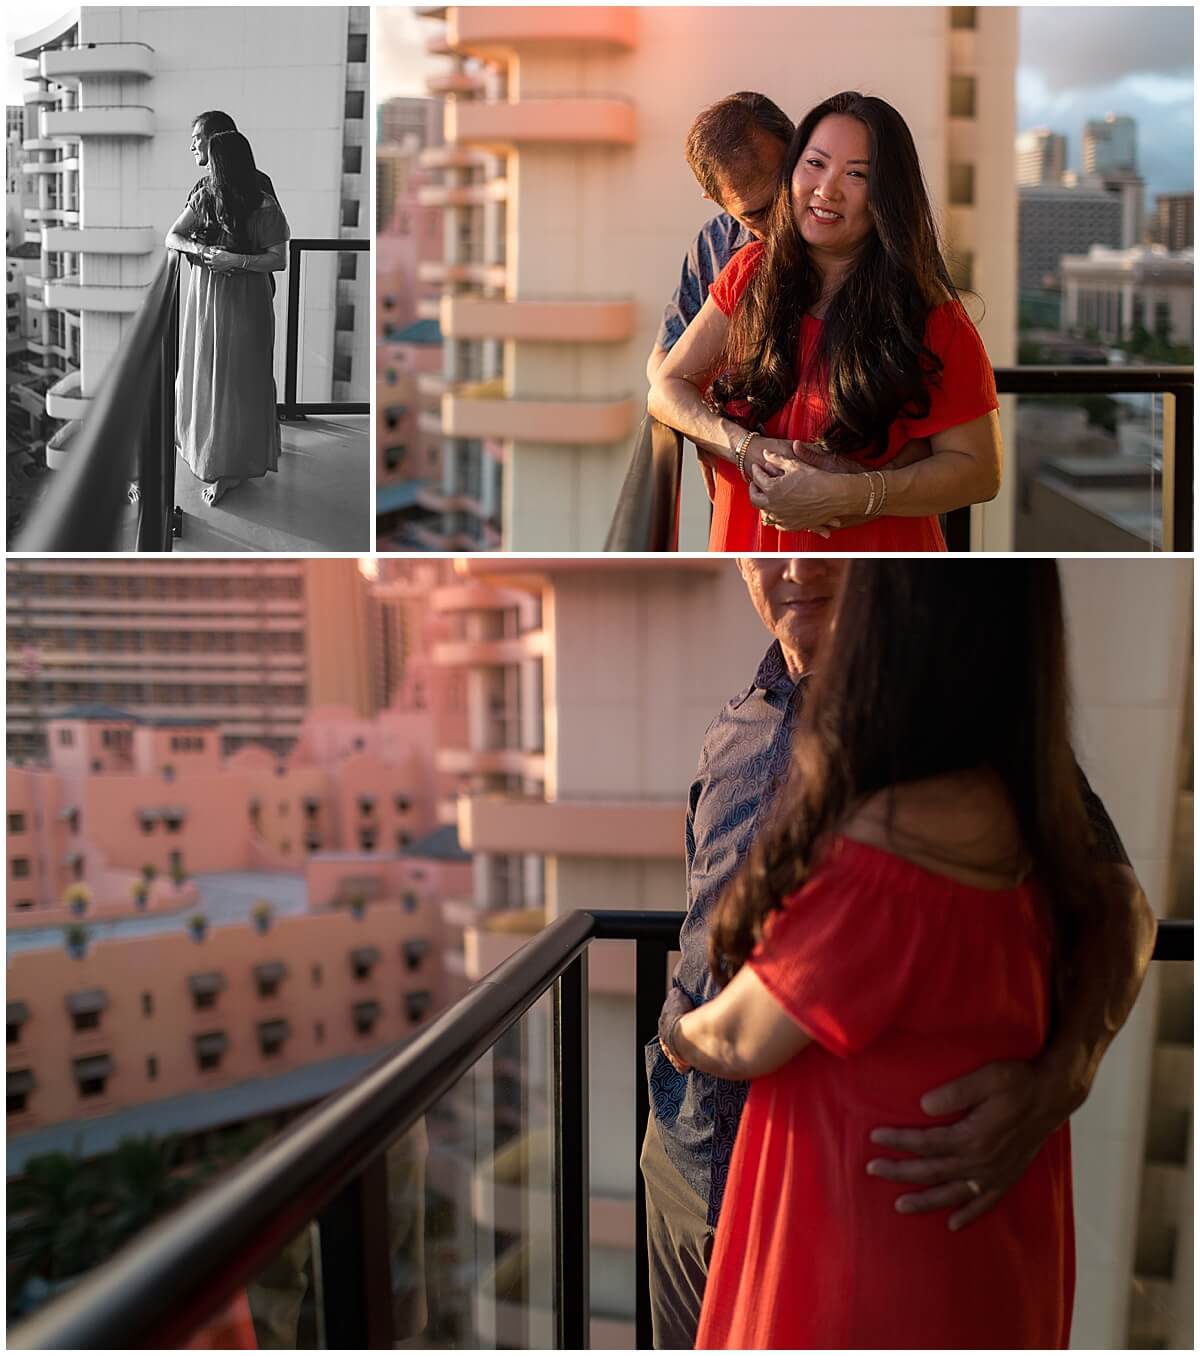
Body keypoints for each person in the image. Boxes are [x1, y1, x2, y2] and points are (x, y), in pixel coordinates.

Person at [640, 558, 1156, 1349]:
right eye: (770, 544)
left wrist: (1064, 1078)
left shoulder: (944, 788)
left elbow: (1124, 909)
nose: (796, 566)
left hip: (831, 1208)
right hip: (691, 1157)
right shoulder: (735, 728)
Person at [648, 92, 1003, 551]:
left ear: (887, 195)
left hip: (876, 574)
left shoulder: (929, 314)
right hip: (747, 562)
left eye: (857, 174)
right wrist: (745, 447)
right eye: (816, 164)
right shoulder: (747, 271)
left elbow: (979, 471)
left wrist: (848, 494)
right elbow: (667, 385)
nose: (826, 190)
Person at [165, 128, 289, 506]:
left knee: (241, 381)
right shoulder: (204, 198)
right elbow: (172, 237)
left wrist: (236, 260)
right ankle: (216, 462)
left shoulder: (264, 205)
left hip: (247, 298)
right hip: (207, 298)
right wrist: (201, 249)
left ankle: (233, 467)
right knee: (208, 377)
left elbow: (279, 259)